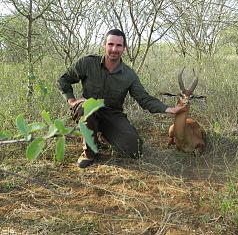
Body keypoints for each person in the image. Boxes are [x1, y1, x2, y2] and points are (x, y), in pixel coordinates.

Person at [57, 29, 186, 168]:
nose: (114, 49)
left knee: (134, 150)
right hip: (88, 110)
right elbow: (63, 80)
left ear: (124, 48)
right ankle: (89, 152)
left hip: (112, 115)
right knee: (86, 108)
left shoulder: (129, 75)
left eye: (119, 45)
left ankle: (102, 136)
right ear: (104, 45)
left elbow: (144, 98)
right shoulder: (87, 63)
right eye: (110, 44)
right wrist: (72, 101)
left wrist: (169, 109)